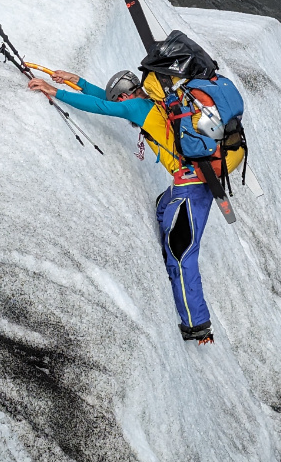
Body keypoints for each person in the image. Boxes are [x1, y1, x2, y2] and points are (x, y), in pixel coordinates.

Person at [28, 69, 216, 344]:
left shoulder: (138, 107)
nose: (120, 106)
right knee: (164, 208)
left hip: (193, 188)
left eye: (120, 101)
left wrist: (55, 91)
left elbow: (102, 106)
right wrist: (76, 81)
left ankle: (197, 326)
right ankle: (169, 265)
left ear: (126, 96)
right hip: (186, 183)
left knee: (182, 255)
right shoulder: (152, 101)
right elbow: (106, 100)